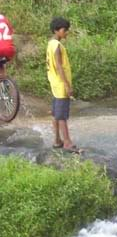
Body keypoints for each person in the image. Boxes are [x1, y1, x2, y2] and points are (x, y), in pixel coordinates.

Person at [47, 17, 78, 152]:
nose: (66, 33)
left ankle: (57, 140)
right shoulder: (58, 47)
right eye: (64, 30)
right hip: (60, 86)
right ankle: (67, 142)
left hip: (55, 84)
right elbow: (59, 67)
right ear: (56, 30)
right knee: (62, 115)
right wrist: (67, 86)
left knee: (55, 114)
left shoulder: (50, 44)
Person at [0, 14, 16, 79]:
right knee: (1, 62)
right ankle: (5, 83)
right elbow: (11, 32)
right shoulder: (3, 17)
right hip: (10, 50)